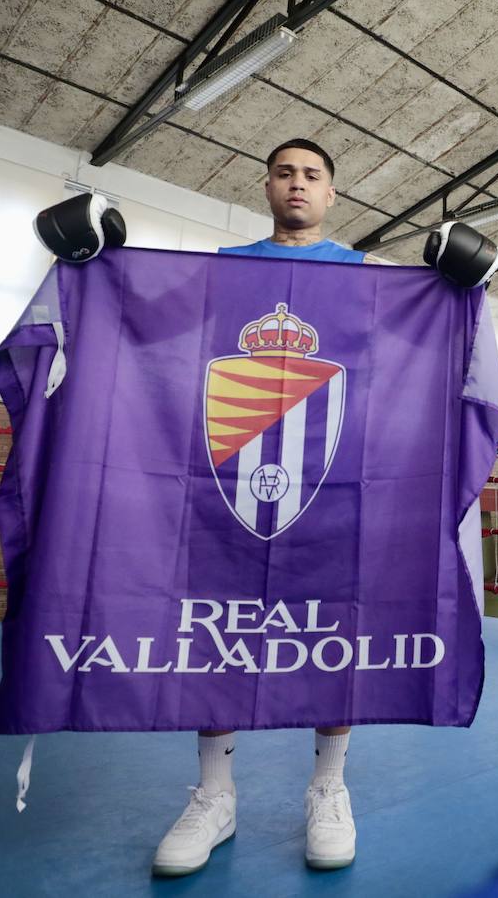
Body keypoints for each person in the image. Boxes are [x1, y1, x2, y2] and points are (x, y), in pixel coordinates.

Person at [152, 138, 365, 877]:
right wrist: (95, 269)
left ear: (331, 194)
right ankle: (215, 795)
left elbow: (413, 348)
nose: (297, 184)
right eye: (285, 173)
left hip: (330, 481)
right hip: (229, 484)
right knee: (219, 628)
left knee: (332, 630)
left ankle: (329, 786)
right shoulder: (228, 268)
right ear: (266, 187)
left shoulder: (366, 278)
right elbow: (157, 325)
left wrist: (464, 282)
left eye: (312, 175)